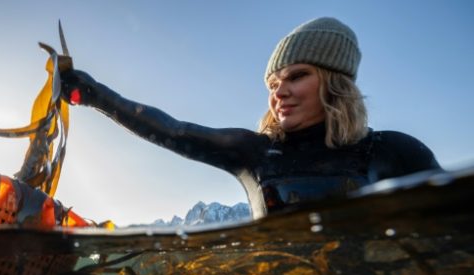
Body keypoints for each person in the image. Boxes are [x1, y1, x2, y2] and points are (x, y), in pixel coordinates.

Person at [60, 17, 443, 219]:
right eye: (274, 83)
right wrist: (93, 94)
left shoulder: (394, 151)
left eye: (297, 76)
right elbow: (173, 130)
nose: (280, 92)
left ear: (335, 83)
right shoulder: (255, 153)